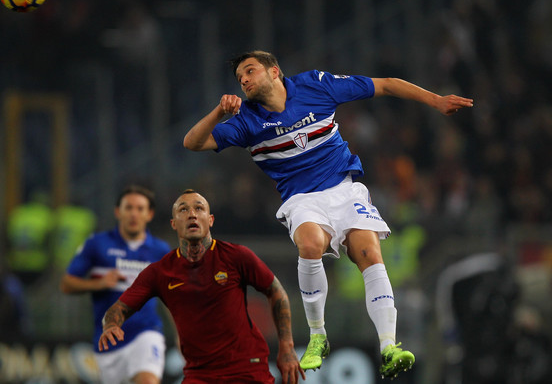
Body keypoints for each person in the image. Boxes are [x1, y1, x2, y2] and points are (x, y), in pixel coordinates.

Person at [183, 50, 474, 378]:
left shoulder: (316, 85)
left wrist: (435, 101)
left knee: (369, 252)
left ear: (275, 72)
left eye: (250, 71)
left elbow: (387, 85)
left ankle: (389, 346)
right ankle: (318, 335)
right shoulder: (246, 122)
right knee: (309, 244)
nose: (245, 80)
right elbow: (192, 142)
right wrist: (218, 112)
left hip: (344, 189)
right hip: (301, 199)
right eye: (240, 79)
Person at [98, 189, 305, 384]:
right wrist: (111, 325)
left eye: (199, 208)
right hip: (199, 374)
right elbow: (118, 309)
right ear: (173, 223)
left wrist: (286, 347)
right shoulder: (159, 272)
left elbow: (276, 291)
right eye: (183, 210)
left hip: (247, 369)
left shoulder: (236, 256)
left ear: (210, 220)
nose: (192, 214)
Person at [60, 185, 171, 384]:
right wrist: (99, 284)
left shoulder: (160, 251)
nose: (134, 214)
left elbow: (173, 297)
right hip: (108, 340)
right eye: (128, 208)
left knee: (148, 380)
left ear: (150, 214)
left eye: (140, 208)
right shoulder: (96, 244)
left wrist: (183, 334)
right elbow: (67, 284)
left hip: (146, 333)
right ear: (117, 212)